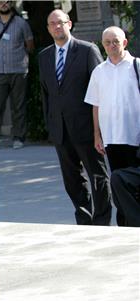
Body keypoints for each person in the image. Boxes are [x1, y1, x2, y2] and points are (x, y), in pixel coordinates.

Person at [38, 10, 111, 226]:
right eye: (52, 24)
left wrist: (101, 129)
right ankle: (84, 219)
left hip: (86, 127)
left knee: (97, 176)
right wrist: (50, 125)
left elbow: (101, 90)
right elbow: (46, 94)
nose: (57, 27)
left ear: (69, 24)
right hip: (60, 129)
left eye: (60, 22)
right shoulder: (44, 56)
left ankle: (102, 220)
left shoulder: (87, 50)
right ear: (49, 28)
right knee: (72, 179)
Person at [85, 26, 140, 226]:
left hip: (134, 136)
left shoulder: (136, 66)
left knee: (132, 182)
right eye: (107, 42)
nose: (111, 45)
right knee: (117, 182)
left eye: (115, 41)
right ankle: (125, 223)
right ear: (103, 45)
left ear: (124, 42)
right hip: (112, 138)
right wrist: (97, 135)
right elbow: (95, 105)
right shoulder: (99, 71)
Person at [0, 0, 34, 149]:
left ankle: (18, 137)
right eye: (1, 2)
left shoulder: (21, 24)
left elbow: (30, 46)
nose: (4, 4)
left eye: (7, 1)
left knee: (18, 106)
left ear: (11, 4)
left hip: (18, 70)